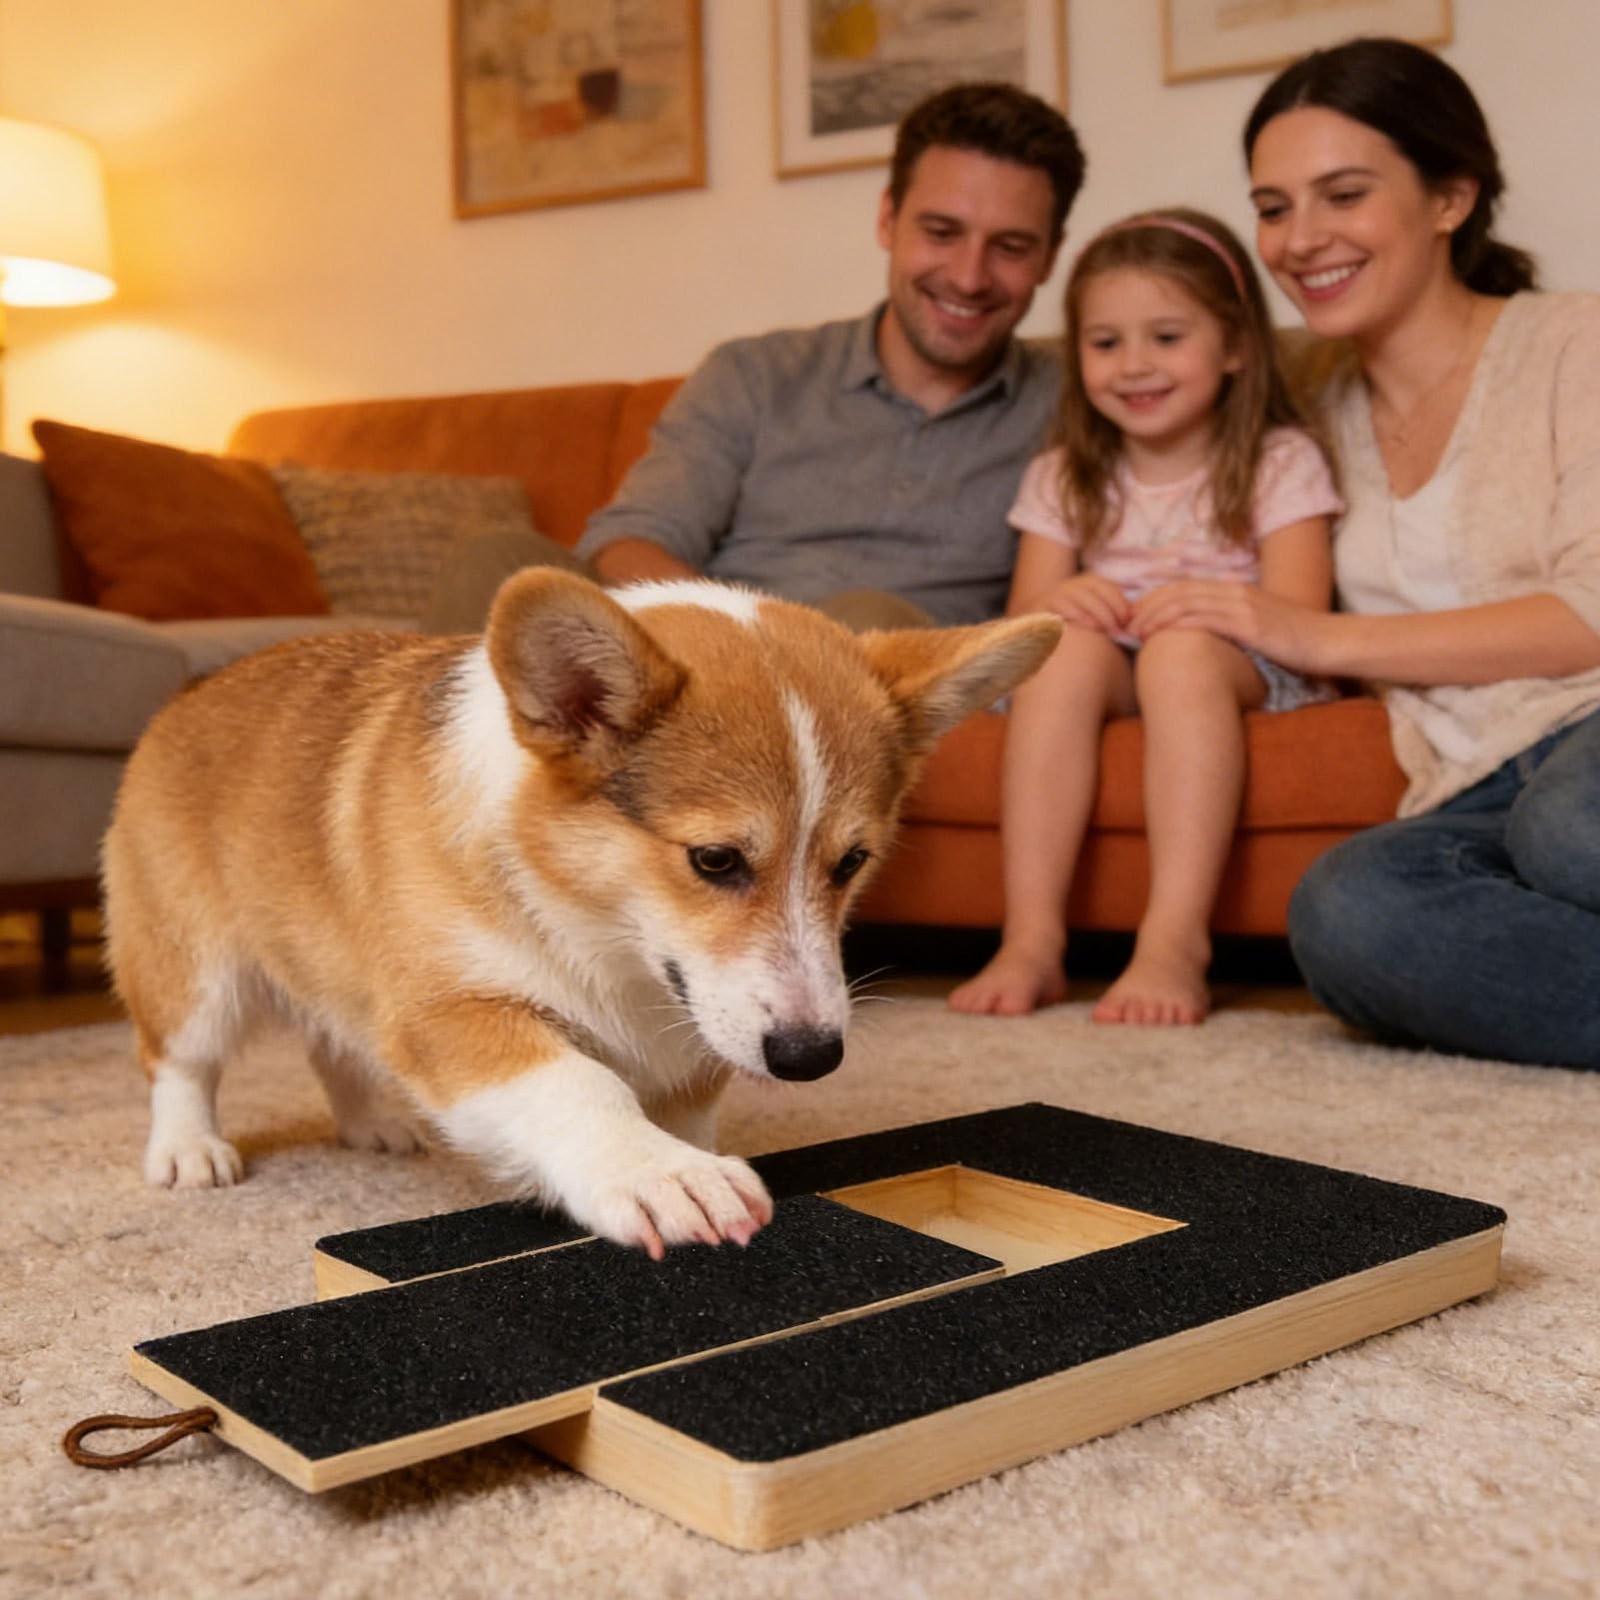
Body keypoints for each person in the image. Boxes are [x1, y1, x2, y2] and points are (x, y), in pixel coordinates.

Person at [1129, 38, 1600, 1069]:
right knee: (1349, 911)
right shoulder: (1297, 416)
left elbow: (1586, 617)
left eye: (1341, 194)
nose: (1300, 240)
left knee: (1570, 828)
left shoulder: (1574, 342)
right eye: (1273, 206)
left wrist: (1314, 629)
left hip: (1587, 735)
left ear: (1449, 197)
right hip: (1470, 786)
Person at [425, 82, 1086, 635]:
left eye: (1010, 247)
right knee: (499, 564)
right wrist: (747, 638)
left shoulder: (1083, 403)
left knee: (864, 618)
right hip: (706, 651)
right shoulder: (755, 375)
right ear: (888, 220)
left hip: (877, 682)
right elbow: (626, 544)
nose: (969, 277)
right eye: (941, 233)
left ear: (1051, 257)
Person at [949, 208, 1341, 1025]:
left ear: (1235, 346)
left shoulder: (1279, 461)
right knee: (1061, 655)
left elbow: (1305, 619)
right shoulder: (1065, 475)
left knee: (1182, 653)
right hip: (1113, 665)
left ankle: (1174, 942)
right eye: (1105, 343)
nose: (1134, 366)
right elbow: (1020, 623)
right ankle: (1031, 939)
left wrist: (1218, 607)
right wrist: (1058, 604)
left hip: (1235, 663)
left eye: (1167, 337)